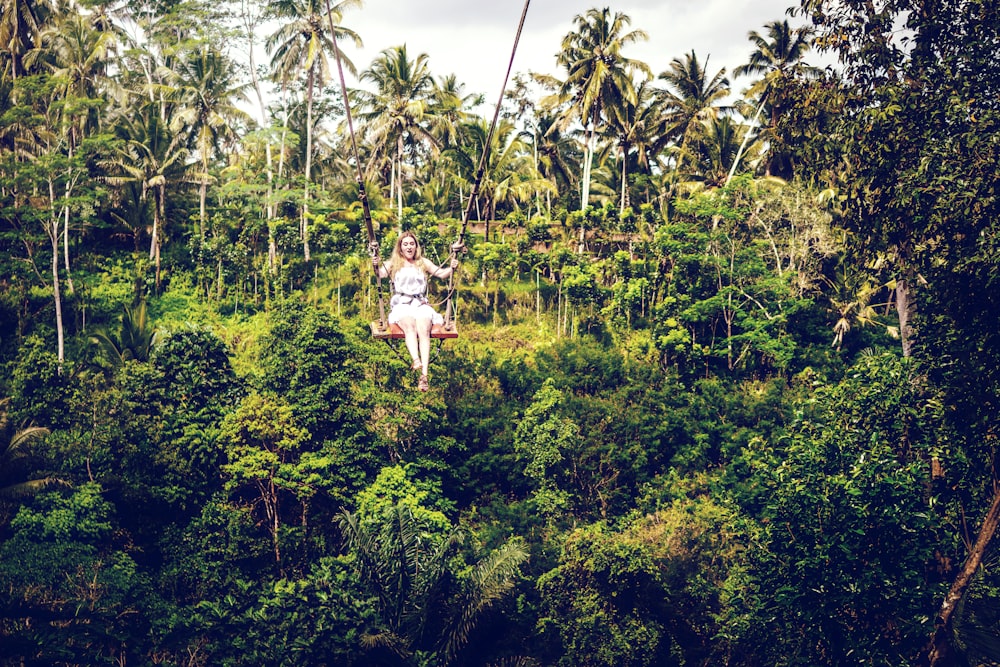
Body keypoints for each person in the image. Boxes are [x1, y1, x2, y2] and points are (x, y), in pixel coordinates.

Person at [373, 231, 460, 391]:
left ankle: (424, 375)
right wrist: (375, 263)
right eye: (405, 244)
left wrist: (452, 266)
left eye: (411, 244)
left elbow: (441, 274)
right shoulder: (394, 262)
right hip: (402, 304)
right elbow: (380, 273)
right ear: (400, 247)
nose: (409, 247)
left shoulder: (422, 262)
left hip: (420, 304)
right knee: (409, 326)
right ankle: (416, 359)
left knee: (423, 328)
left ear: (416, 246)